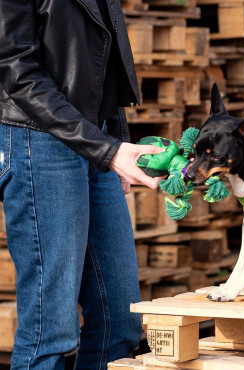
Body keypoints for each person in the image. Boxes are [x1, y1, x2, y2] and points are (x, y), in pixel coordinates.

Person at [0, 0, 164, 368]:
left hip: (95, 138)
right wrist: (106, 150)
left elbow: (103, 64)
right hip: (37, 140)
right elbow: (13, 66)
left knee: (119, 323)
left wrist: (115, 143)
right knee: (51, 331)